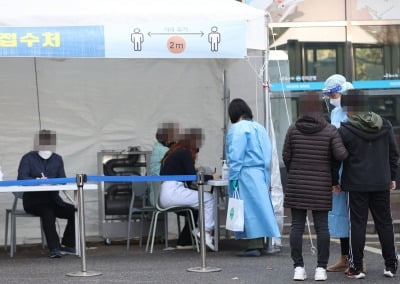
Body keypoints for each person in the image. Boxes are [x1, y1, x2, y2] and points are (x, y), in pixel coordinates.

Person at [282, 93, 348, 281]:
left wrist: (295, 170)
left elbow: (286, 156)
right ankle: (320, 269)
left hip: (296, 184)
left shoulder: (293, 129)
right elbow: (341, 155)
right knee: (322, 228)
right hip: (321, 184)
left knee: (296, 226)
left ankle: (298, 268)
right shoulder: (329, 130)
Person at [337, 91, 399, 279]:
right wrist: (392, 177)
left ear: (349, 109)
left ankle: (357, 268)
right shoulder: (385, 125)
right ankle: (391, 266)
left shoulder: (345, 130)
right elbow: (394, 154)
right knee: (385, 223)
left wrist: (334, 180)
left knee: (357, 225)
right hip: (381, 182)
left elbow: (338, 158)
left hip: (355, 184)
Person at [226, 98, 281, 257]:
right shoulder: (260, 128)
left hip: (245, 172)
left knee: (248, 208)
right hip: (261, 172)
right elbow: (268, 153)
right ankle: (263, 243)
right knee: (261, 207)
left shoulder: (237, 129)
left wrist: (233, 177)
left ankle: (253, 245)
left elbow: (235, 156)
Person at [17, 130, 76, 258]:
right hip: (33, 202)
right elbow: (21, 178)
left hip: (54, 200)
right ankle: (54, 248)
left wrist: (53, 183)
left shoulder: (58, 159)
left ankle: (68, 244)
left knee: (74, 211)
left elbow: (63, 180)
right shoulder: (27, 158)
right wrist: (36, 182)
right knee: (48, 212)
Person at [159, 128, 219, 251]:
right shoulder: (185, 153)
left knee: (199, 203)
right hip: (174, 192)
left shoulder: (172, 152)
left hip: (166, 193)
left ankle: (191, 236)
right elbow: (192, 178)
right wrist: (212, 177)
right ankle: (205, 232)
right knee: (208, 198)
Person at [322, 74, 355, 273]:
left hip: (352, 169)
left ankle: (355, 259)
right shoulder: (336, 113)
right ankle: (345, 257)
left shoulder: (352, 110)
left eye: (332, 94)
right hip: (339, 170)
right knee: (341, 216)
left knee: (353, 216)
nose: (330, 98)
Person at [149, 122, 197, 249]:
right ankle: (186, 240)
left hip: (159, 193)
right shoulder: (168, 151)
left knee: (194, 205)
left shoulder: (157, 149)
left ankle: (188, 239)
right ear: (169, 138)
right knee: (196, 206)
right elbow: (186, 172)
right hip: (164, 195)